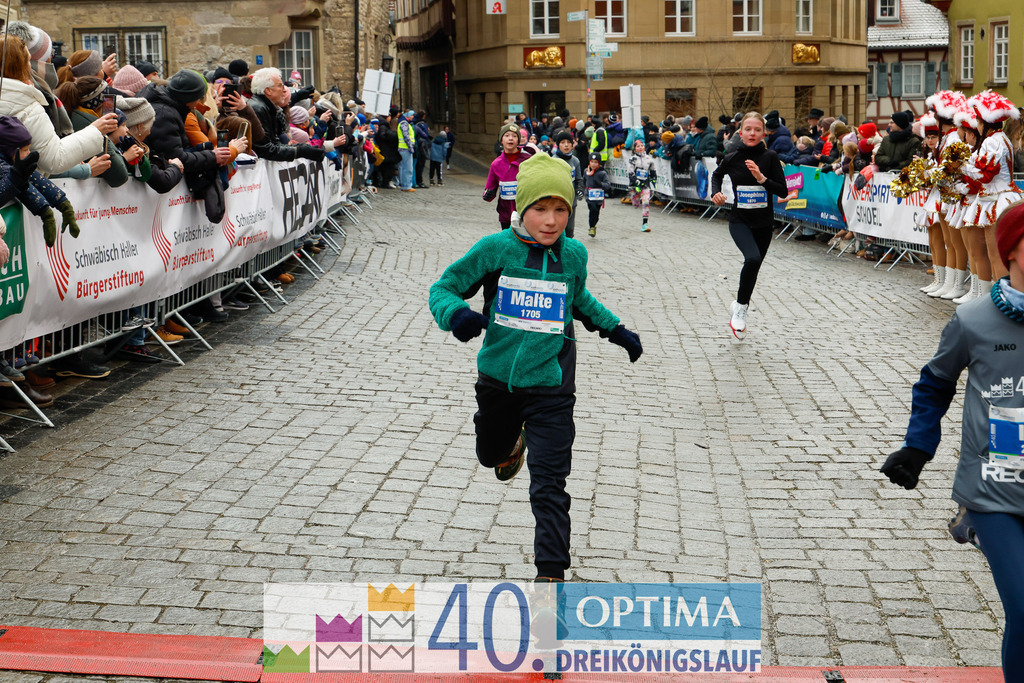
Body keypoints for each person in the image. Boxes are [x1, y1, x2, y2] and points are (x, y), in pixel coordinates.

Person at [428, 152, 642, 584]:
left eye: (560, 209)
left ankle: (551, 574)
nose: (550, 220)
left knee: (549, 484)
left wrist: (615, 329)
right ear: (521, 209)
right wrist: (455, 314)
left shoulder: (574, 255)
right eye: (540, 209)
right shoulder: (496, 249)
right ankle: (510, 444)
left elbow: (578, 299)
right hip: (498, 380)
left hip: (552, 386)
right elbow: (444, 286)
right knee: (490, 456)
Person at [881, 200, 1024, 683]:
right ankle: (975, 522)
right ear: (1012, 251)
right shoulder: (974, 321)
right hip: (994, 492)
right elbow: (935, 383)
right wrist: (919, 446)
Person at [711, 112, 790, 340]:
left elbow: (783, 191)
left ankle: (740, 303)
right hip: (740, 221)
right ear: (741, 132)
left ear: (764, 133)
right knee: (752, 259)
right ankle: (741, 309)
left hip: (764, 223)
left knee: (754, 267)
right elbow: (717, 175)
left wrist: (762, 178)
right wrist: (716, 193)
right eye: (748, 129)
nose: (752, 133)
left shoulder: (770, 157)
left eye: (757, 129)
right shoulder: (733, 156)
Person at [957, 91, 1022, 304]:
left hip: (997, 198)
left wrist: (962, 166)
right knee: (994, 255)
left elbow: (986, 175)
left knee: (996, 256)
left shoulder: (992, 141)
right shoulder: (1000, 138)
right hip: (998, 196)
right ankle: (994, 300)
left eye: (977, 120)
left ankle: (1002, 302)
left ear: (985, 122)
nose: (975, 124)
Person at [483, 123, 533, 230]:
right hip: (505, 216)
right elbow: (489, 190)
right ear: (501, 140)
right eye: (507, 135)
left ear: (518, 141)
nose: (510, 139)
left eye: (514, 136)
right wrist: (487, 194)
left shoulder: (528, 160)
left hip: (525, 213)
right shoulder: (496, 164)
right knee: (509, 245)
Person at [552, 131, 583, 239]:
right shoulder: (553, 161)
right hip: (557, 201)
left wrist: (580, 189)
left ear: (572, 144)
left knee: (569, 229)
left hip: (571, 202)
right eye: (563, 142)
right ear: (558, 145)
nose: (566, 145)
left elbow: (579, 179)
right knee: (558, 228)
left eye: (569, 142)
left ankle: (567, 252)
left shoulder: (575, 161)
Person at [627, 138, 656, 232]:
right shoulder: (632, 159)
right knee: (636, 203)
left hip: (645, 184)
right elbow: (630, 171)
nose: (640, 148)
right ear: (635, 148)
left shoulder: (649, 158)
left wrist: (654, 179)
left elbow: (652, 170)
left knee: (646, 202)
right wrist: (635, 181)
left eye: (642, 146)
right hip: (635, 184)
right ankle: (634, 199)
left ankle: (645, 224)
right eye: (638, 146)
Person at [583, 152, 610, 238]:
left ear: (599, 163)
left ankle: (593, 226)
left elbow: (608, 185)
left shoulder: (602, 173)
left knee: (596, 211)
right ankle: (591, 226)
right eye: (592, 162)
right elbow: (584, 181)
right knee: (592, 210)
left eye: (596, 162)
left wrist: (601, 184)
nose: (593, 164)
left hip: (598, 197)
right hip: (589, 195)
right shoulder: (586, 171)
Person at [397, 109, 417, 192]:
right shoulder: (404, 124)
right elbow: (406, 136)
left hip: (403, 148)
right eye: (411, 115)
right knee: (408, 168)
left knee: (404, 168)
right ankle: (406, 186)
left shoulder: (403, 123)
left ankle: (405, 185)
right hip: (405, 148)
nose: (413, 117)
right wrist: (410, 147)